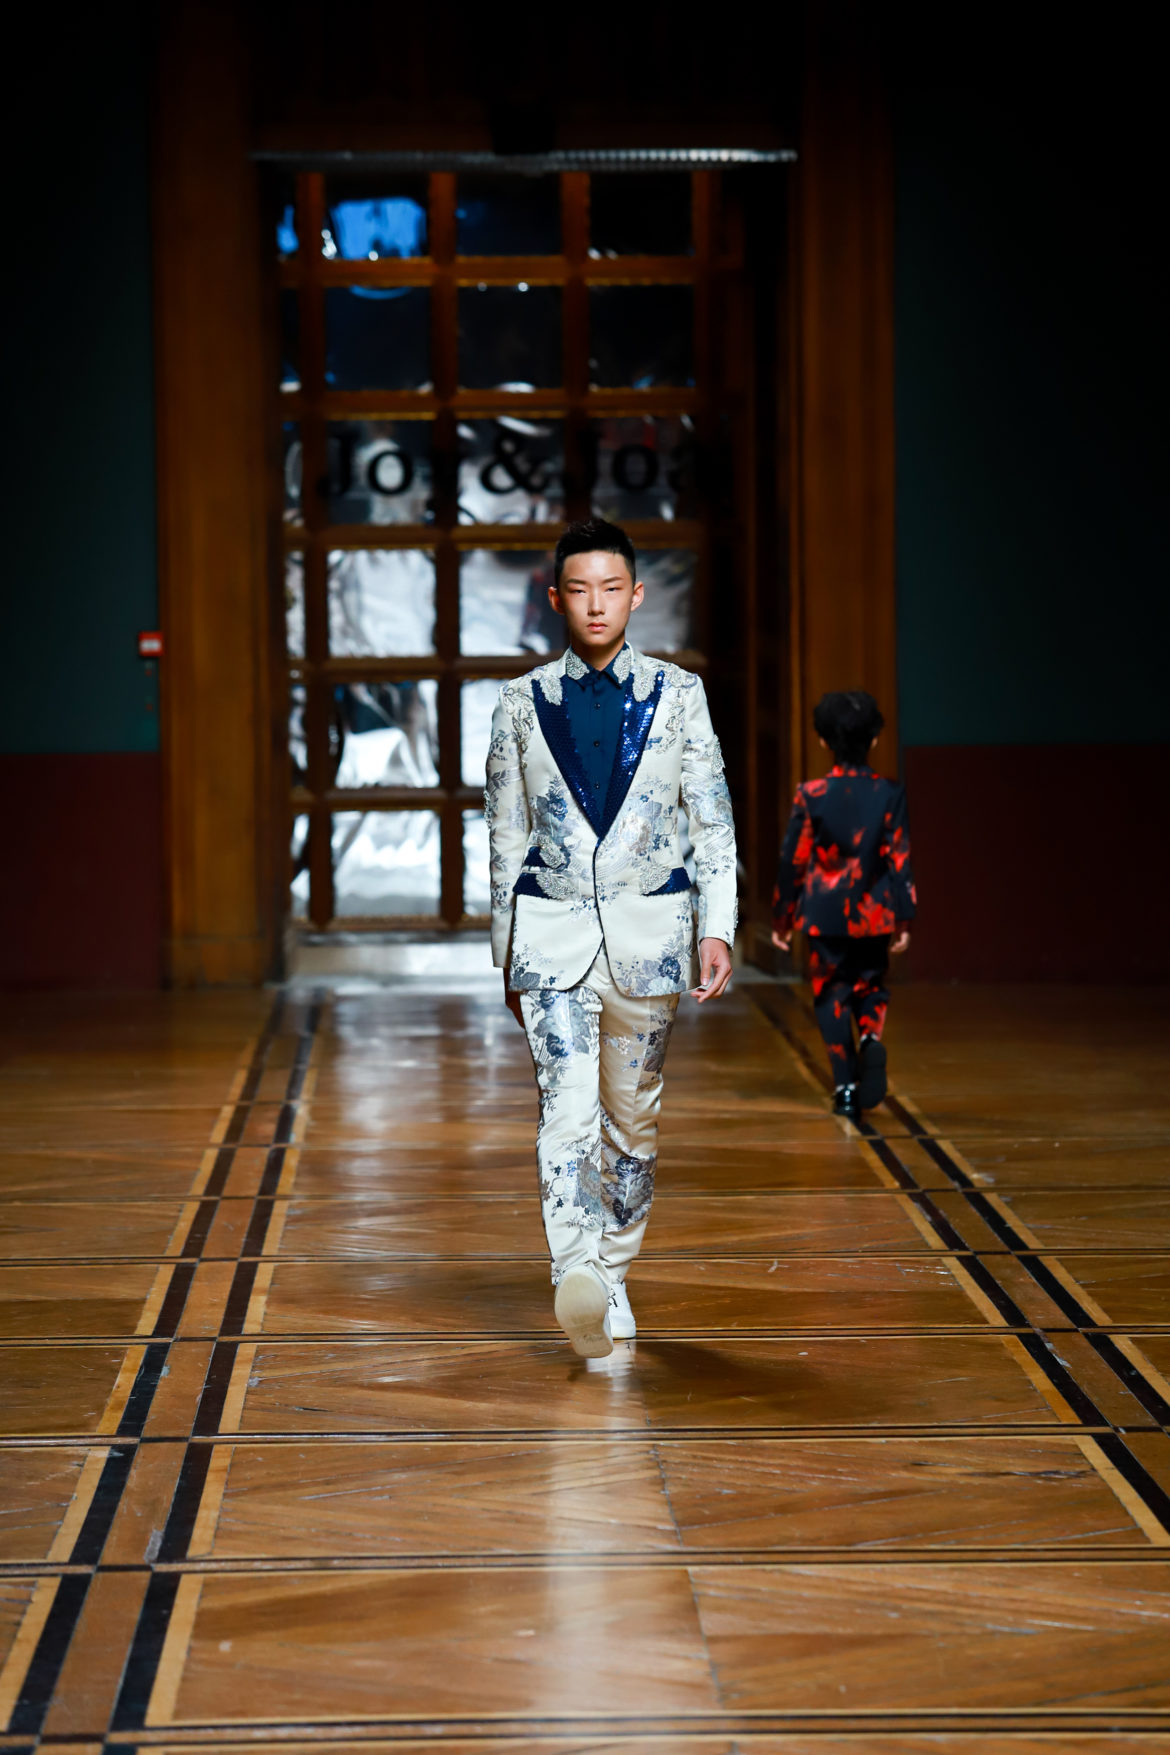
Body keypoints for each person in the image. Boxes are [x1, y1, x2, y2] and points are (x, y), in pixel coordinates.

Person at [485, 517, 738, 1358]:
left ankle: (614, 1274)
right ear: (556, 598)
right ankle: (576, 1272)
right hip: (550, 938)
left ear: (636, 594)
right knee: (566, 1113)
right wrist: (506, 953)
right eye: (579, 589)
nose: (596, 604)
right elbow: (504, 835)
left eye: (611, 588)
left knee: (631, 1123)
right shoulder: (519, 703)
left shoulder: (681, 694)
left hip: (650, 938)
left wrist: (719, 927)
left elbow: (712, 821)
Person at [771, 690, 917, 1122]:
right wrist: (904, 917)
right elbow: (900, 857)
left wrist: (782, 917)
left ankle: (846, 1088)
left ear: (823, 741)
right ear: (874, 739)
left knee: (830, 993)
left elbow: (792, 860)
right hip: (875, 913)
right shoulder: (889, 793)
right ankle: (870, 1038)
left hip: (824, 915)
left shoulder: (811, 793)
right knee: (871, 984)